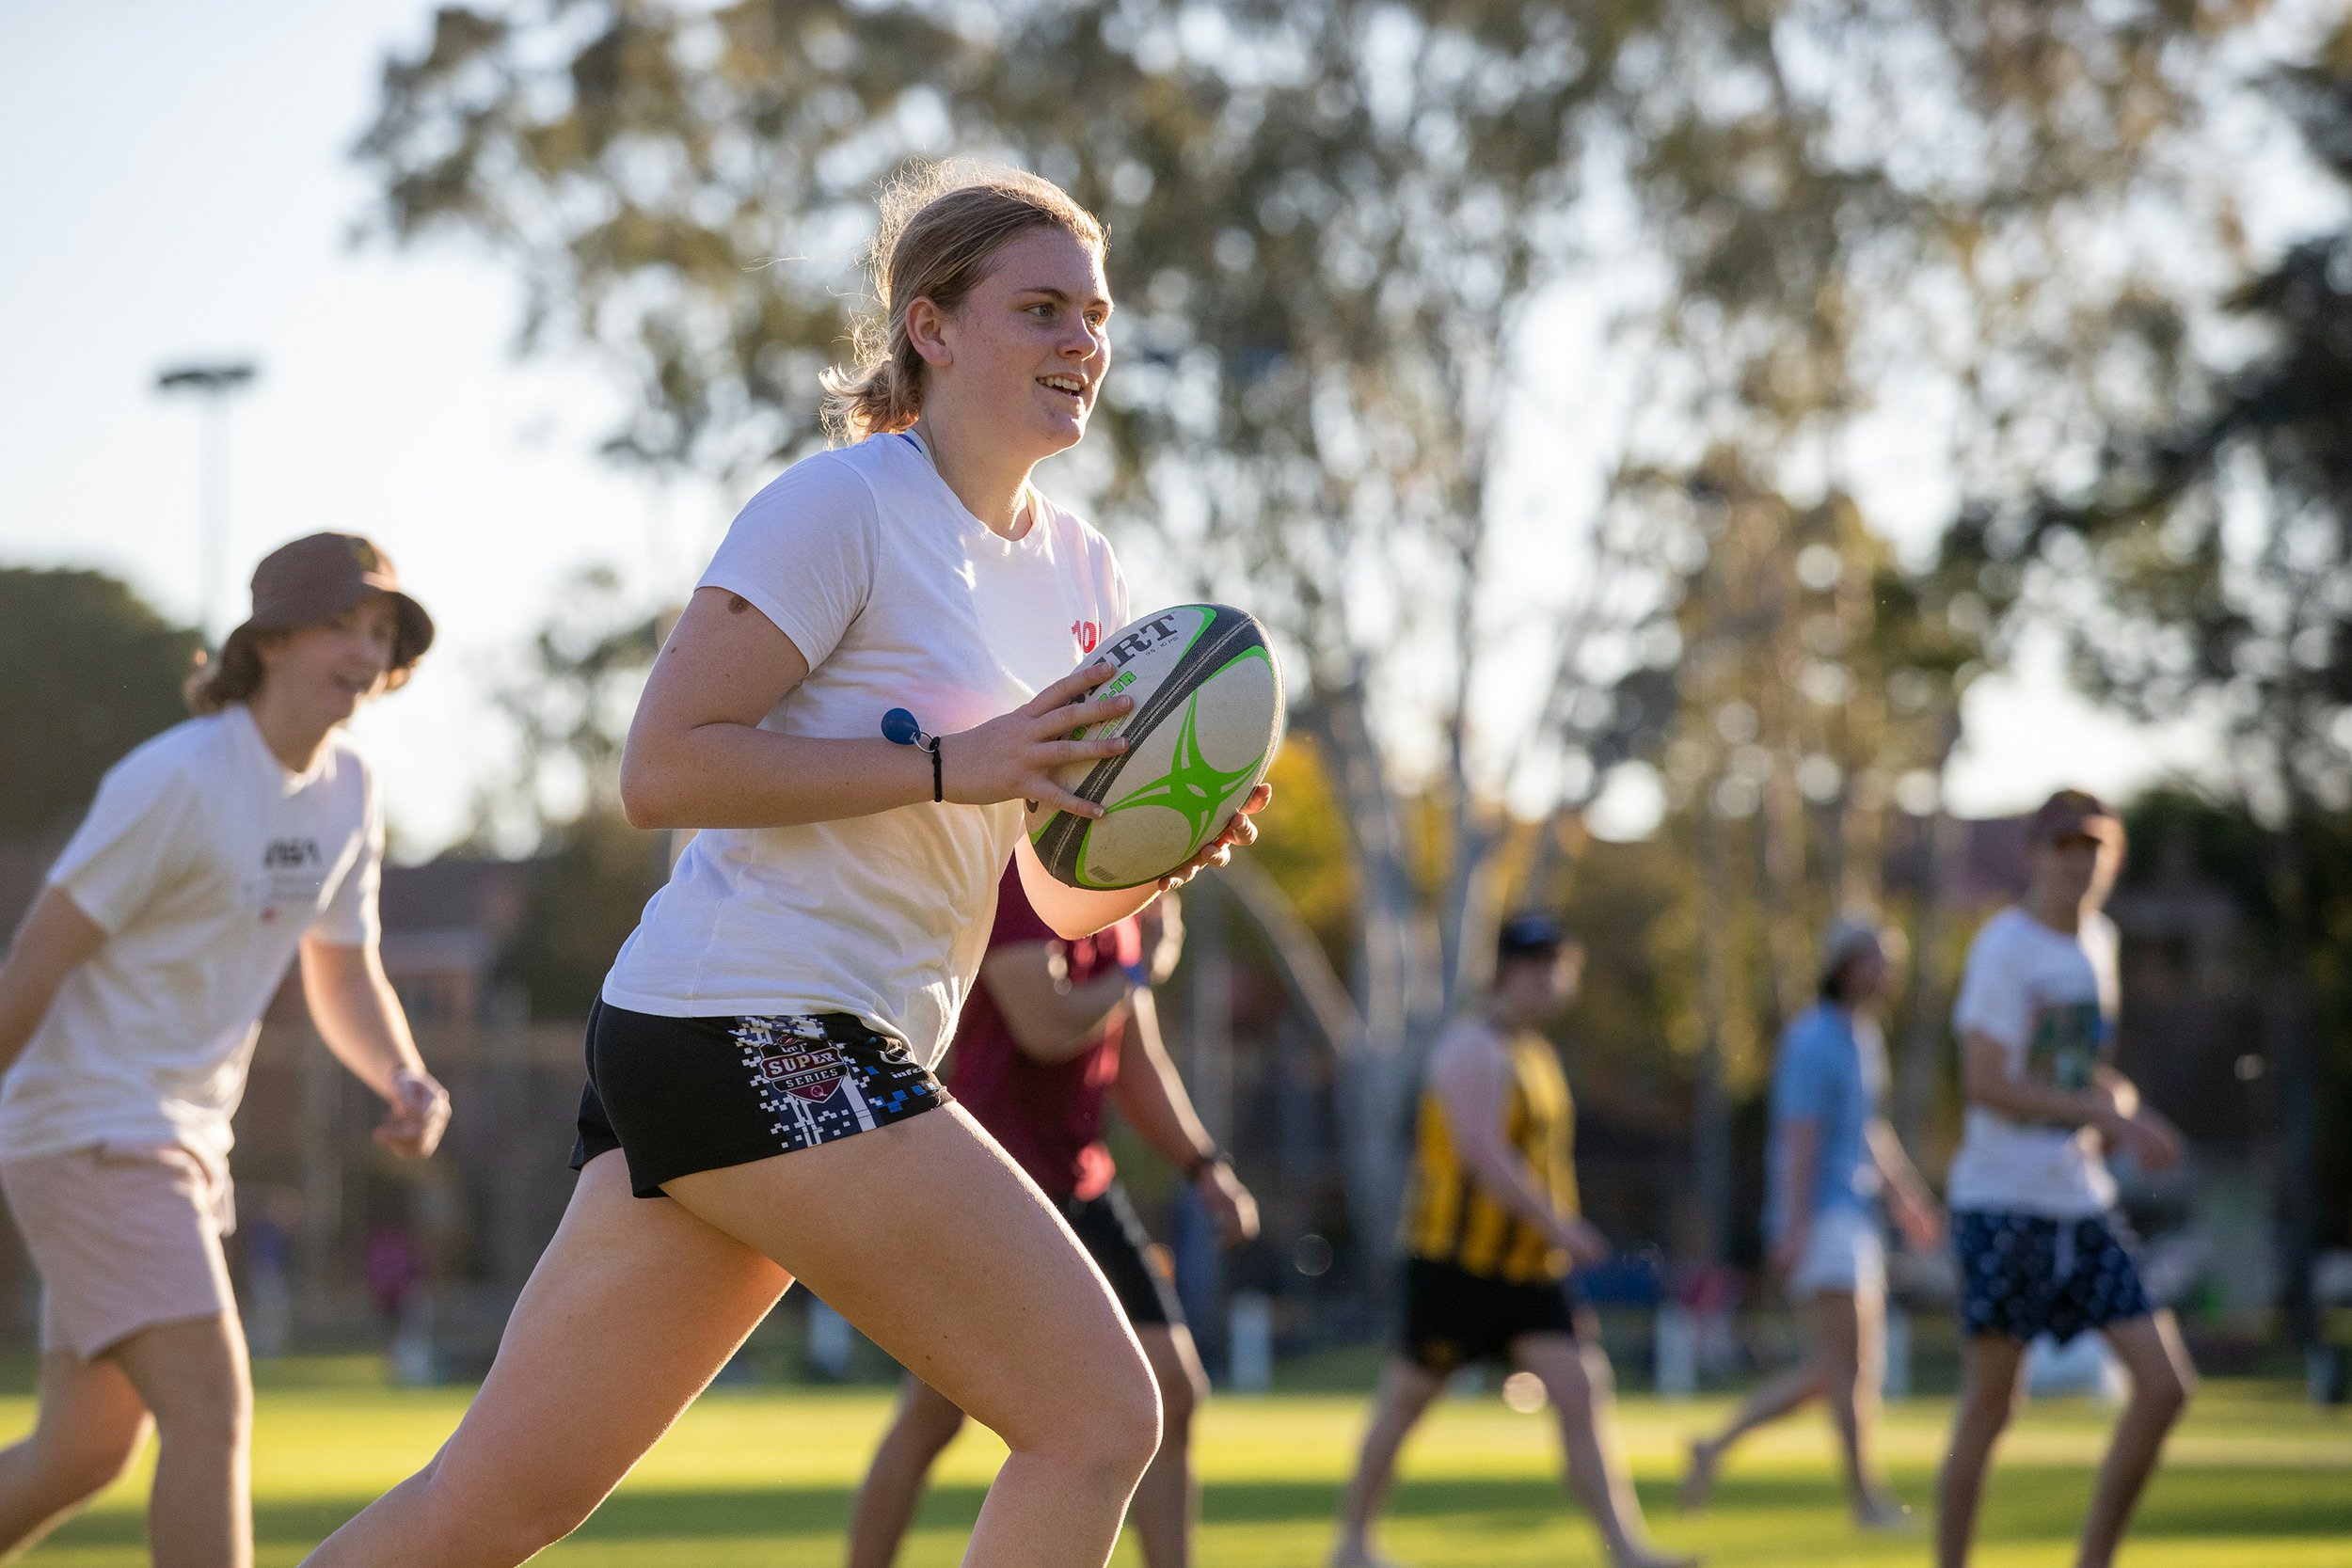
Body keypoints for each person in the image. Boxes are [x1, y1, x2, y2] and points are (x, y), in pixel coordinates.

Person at [303, 162, 1270, 1568]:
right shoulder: (841, 509)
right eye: (1042, 307)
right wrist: (961, 760)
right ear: (931, 327)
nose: (1084, 342)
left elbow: (1049, 892)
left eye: (1098, 314)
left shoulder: (1085, 573)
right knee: (1101, 1411)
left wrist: (1157, 842)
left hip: (785, 1040)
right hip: (746, 1015)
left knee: (490, 1507)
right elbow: (665, 764)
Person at [0, 533, 453, 1568]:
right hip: (91, 1128)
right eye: (340, 622)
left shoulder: (350, 791)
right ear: (273, 639)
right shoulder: (175, 780)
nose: (364, 647)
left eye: (380, 630)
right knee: (211, 1404)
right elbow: (36, 957)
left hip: (180, 1141)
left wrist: (401, 1071)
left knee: (81, 1450)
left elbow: (341, 972)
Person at [846, 877, 1258, 1568]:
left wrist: (1202, 1164)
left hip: (1082, 1184)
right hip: (994, 1184)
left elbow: (1132, 1057)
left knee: (1176, 1389)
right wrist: (1139, 970)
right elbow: (1045, 1024)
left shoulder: (1119, 896)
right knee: (934, 1414)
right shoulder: (1017, 883)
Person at [1331, 915, 1695, 1568]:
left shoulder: (1536, 1053)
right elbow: (1481, 1153)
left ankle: (1628, 1547)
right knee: (1406, 1401)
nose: (1550, 981)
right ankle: (1352, 1542)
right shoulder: (1472, 1045)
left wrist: (1552, 1240)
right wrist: (1560, 1224)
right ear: (1508, 970)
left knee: (1582, 1391)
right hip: (1456, 1265)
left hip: (1528, 1272)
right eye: (1538, 966)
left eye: (1558, 965)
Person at [1934, 788, 2194, 1568]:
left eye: (2094, 848)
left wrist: (2123, 1107)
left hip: (2078, 1199)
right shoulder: (2004, 946)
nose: (2078, 863)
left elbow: (2075, 1068)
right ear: (2034, 856)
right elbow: (1985, 1080)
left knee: (2164, 1385)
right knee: (1992, 1404)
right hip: (2001, 1200)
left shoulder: (2100, 943)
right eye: (2064, 847)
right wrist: (2106, 1114)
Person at [1680, 914, 1943, 1528]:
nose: (1885, 972)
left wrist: (1907, 1198)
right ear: (1845, 963)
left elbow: (1869, 1131)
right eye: (1874, 958)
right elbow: (1800, 1137)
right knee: (1843, 1370)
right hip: (1823, 1220)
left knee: (1845, 1371)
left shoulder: (1863, 1036)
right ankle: (1866, 1502)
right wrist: (1793, 1225)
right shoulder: (1812, 1038)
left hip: (1853, 1216)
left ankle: (1716, 1447)